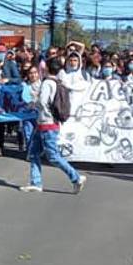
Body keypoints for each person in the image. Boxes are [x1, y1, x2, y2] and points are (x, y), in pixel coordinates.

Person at [20, 56, 86, 194]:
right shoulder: (57, 82)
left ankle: (76, 177)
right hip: (45, 123)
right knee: (33, 153)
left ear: (47, 69)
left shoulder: (47, 83)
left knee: (53, 155)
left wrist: (33, 104)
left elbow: (43, 102)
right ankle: (36, 182)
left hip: (46, 123)